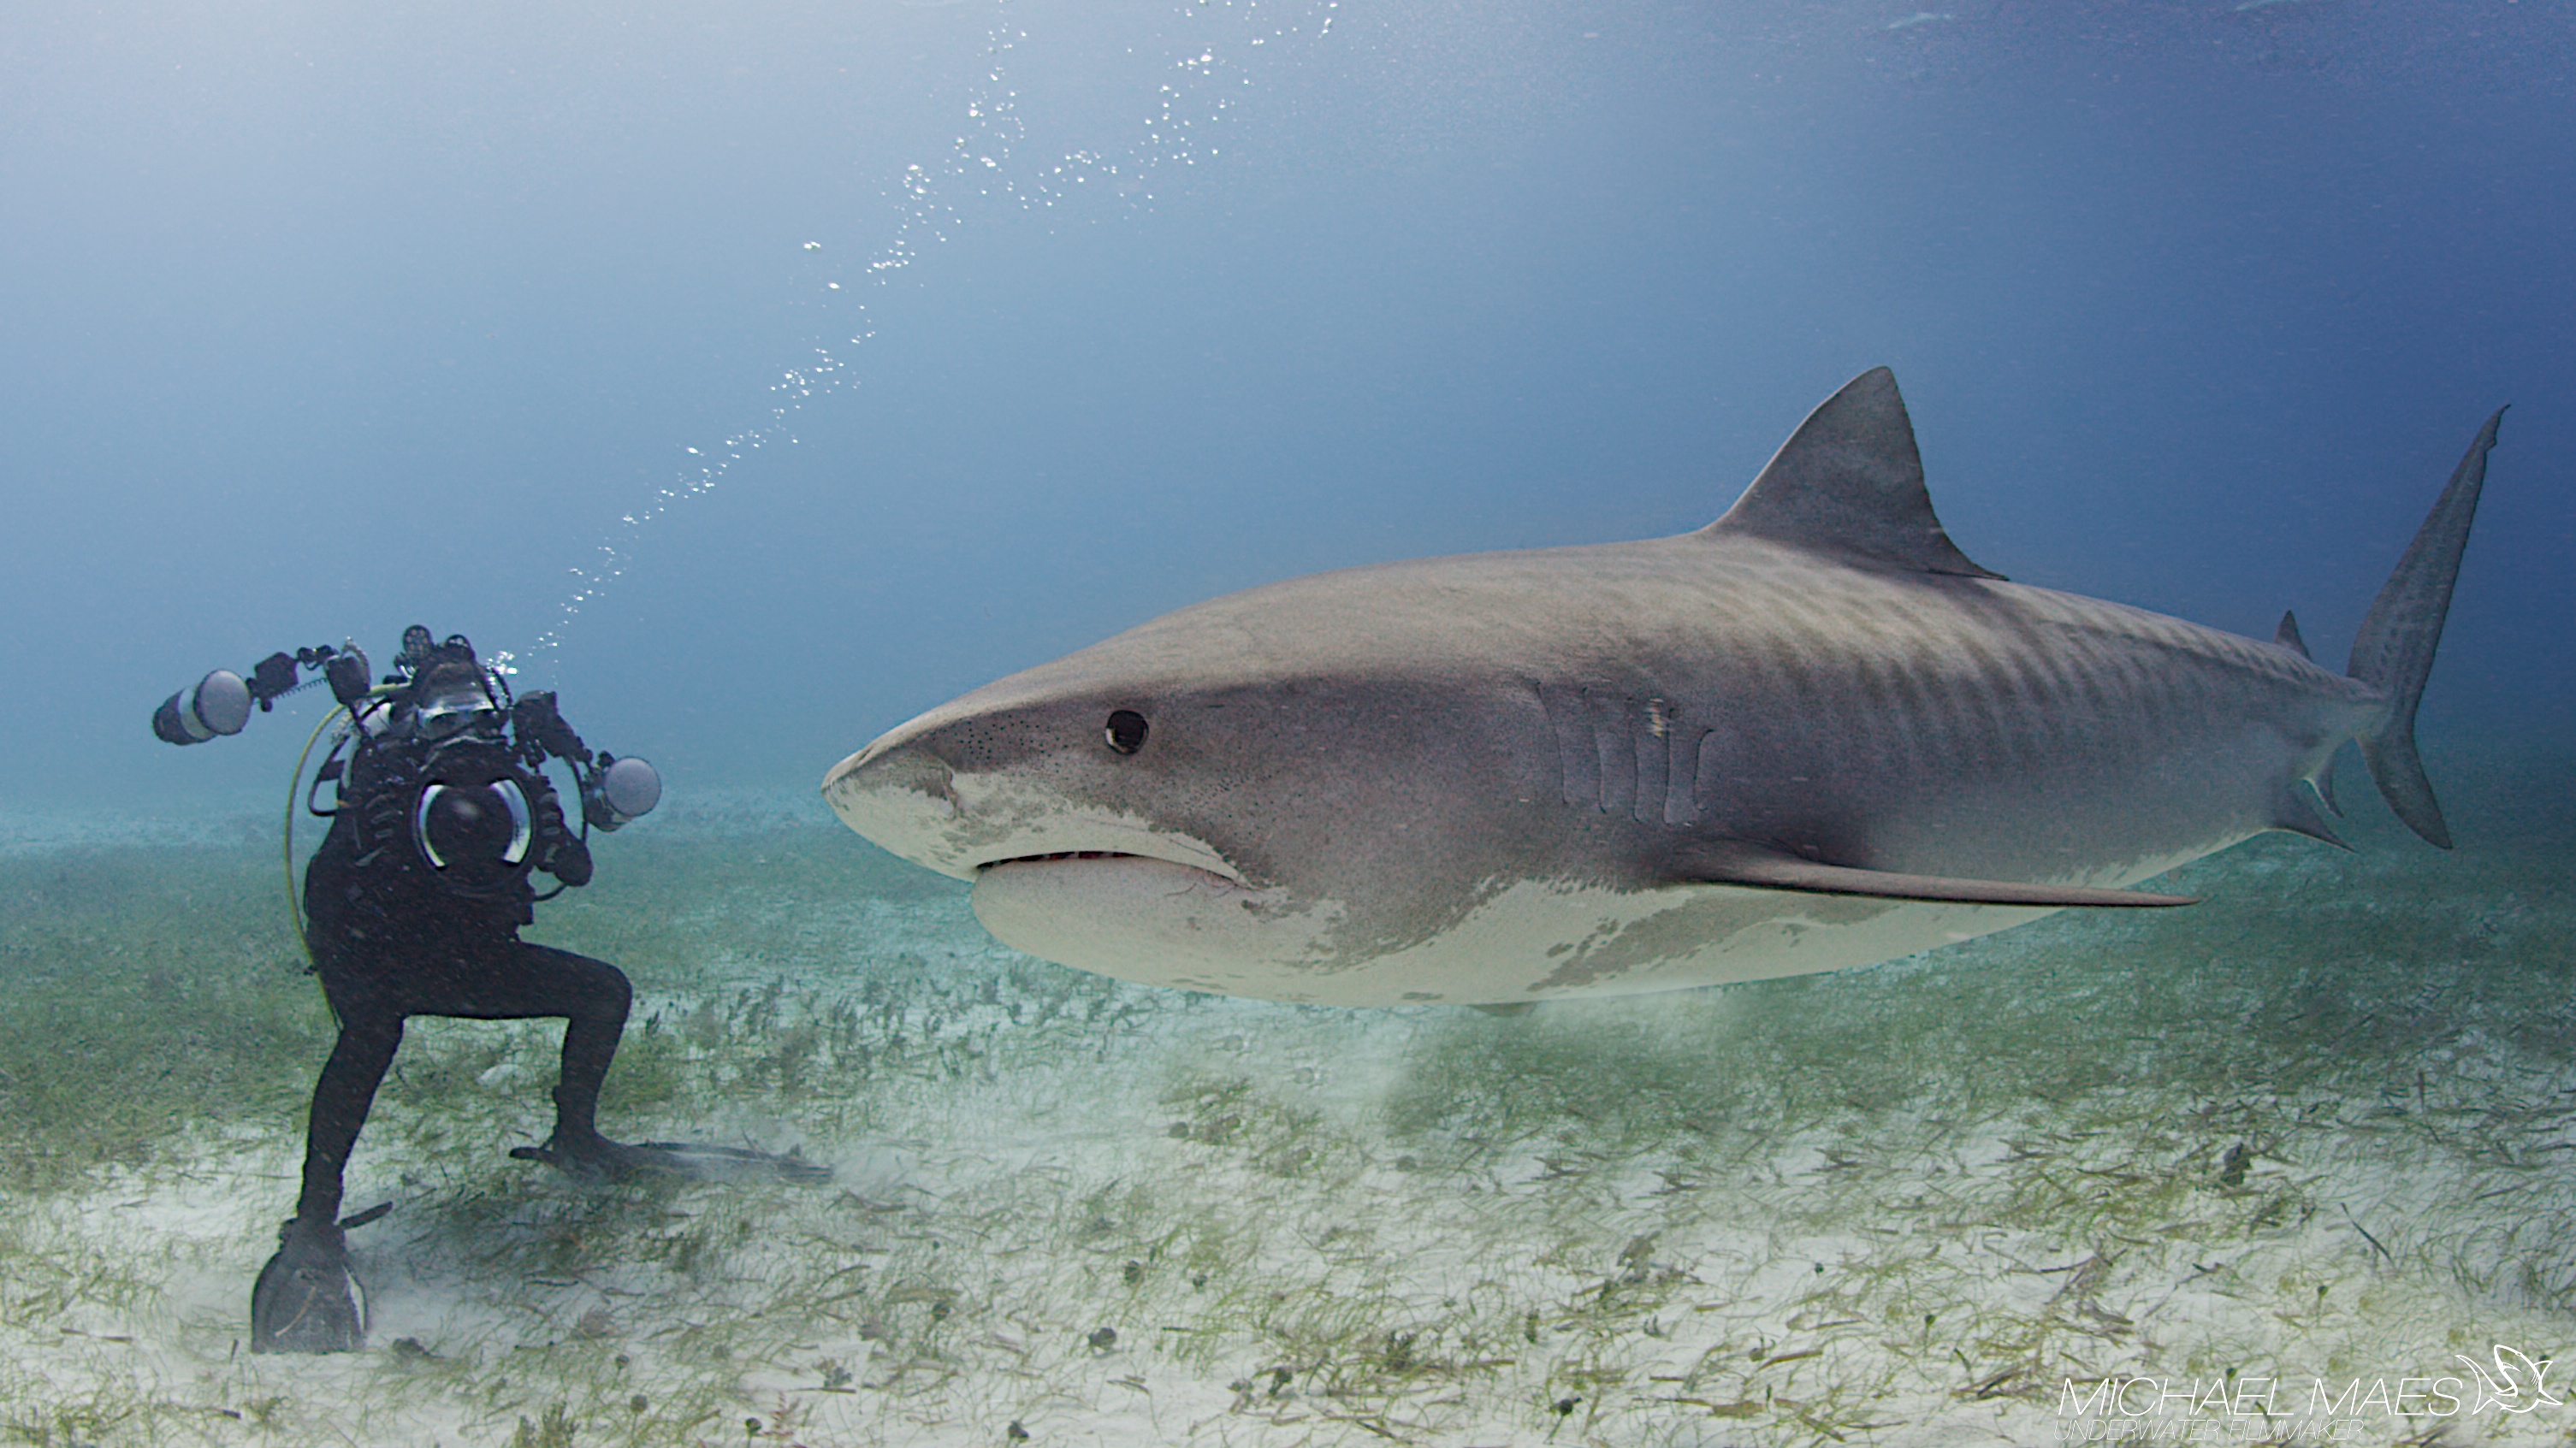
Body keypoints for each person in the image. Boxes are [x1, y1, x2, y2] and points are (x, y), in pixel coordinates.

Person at [165, 626, 669, 1354]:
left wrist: (548, 774)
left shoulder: (511, 767)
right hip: (385, 962)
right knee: (370, 1031)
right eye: (442, 700)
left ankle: (576, 1137)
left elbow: (575, 866)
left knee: (603, 992)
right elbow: (331, 892)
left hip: (473, 959)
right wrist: (352, 967)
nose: (458, 715)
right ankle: (313, 1216)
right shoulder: (384, 765)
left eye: (470, 699)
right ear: (412, 705)